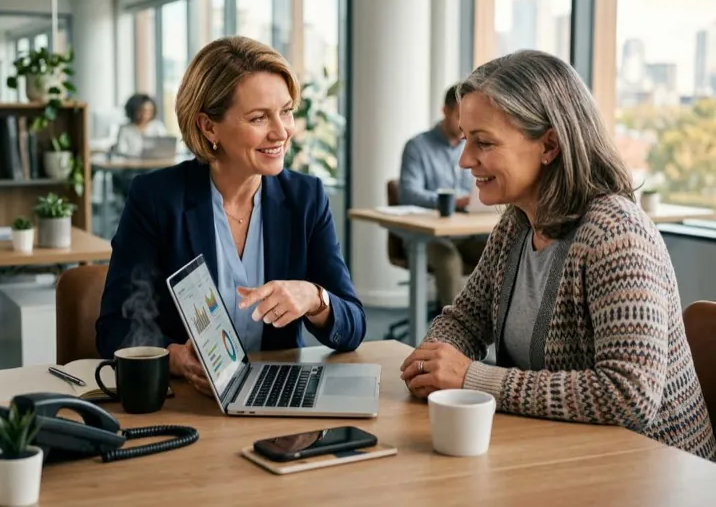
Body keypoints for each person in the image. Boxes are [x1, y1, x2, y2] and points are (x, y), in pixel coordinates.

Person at [400, 50, 716, 460]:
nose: (464, 160)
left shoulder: (617, 234)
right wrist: (433, 363)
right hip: (562, 453)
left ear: (549, 144)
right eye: (465, 139)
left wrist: (473, 378)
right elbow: (465, 320)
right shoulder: (516, 224)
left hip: (656, 468)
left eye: (484, 142)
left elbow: (629, 395)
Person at [96, 36, 366, 397]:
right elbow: (114, 329)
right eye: (259, 117)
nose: (282, 131)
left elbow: (354, 327)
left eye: (286, 111)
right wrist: (174, 357)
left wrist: (315, 298)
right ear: (209, 127)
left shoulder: (305, 198)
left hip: (276, 396)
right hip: (187, 401)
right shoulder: (157, 198)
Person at [399, 84, 486, 307]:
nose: (464, 125)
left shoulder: (472, 148)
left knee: (503, 249)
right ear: (445, 111)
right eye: (459, 116)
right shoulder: (417, 147)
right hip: (425, 236)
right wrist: (453, 201)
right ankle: (455, 325)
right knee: (447, 259)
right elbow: (409, 194)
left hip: (465, 233)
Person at [113, 93, 167, 157]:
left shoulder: (158, 127)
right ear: (133, 110)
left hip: (155, 162)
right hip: (131, 162)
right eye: (141, 111)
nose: (145, 115)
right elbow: (121, 152)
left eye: (149, 111)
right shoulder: (125, 129)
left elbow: (164, 149)